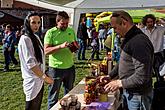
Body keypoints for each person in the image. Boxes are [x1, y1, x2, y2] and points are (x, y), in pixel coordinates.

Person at [99, 11, 154, 110]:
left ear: (124, 23)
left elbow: (142, 76)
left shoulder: (138, 42)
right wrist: (110, 75)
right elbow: (123, 61)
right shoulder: (129, 38)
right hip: (130, 91)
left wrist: (119, 83)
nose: (114, 31)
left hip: (139, 95)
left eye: (115, 28)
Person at [18, 12, 53, 110]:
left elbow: (39, 59)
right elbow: (31, 64)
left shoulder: (35, 37)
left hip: (39, 80)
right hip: (32, 81)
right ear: (27, 23)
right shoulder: (25, 39)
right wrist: (45, 78)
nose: (36, 25)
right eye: (33, 22)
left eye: (38, 22)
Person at [44, 11, 77, 110]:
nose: (65, 25)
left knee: (69, 94)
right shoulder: (50, 32)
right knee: (53, 97)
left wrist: (74, 47)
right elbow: (46, 51)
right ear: (57, 22)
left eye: (67, 23)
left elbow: (74, 46)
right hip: (55, 69)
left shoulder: (71, 30)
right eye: (63, 24)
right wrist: (60, 46)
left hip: (70, 68)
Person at [141, 14, 165, 81]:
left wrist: (162, 22)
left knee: (159, 73)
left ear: (154, 22)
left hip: (158, 54)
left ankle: (159, 87)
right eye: (148, 22)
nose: (150, 23)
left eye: (151, 21)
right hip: (146, 54)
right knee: (146, 73)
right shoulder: (142, 31)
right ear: (145, 22)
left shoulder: (160, 29)